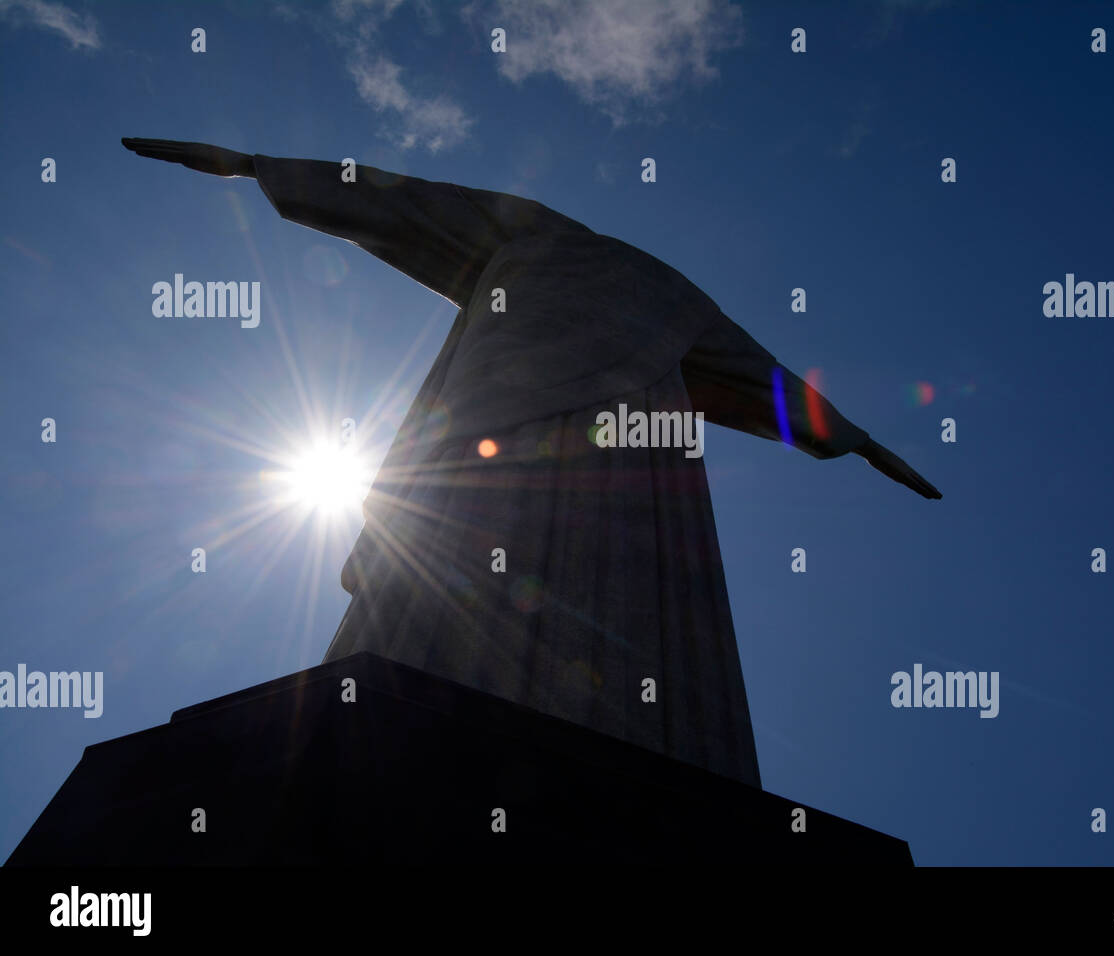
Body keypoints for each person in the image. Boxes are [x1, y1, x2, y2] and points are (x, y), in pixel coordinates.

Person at [122, 138, 942, 788]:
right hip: (492, 417)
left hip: (634, 445)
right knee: (447, 537)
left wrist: (860, 440)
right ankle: (421, 669)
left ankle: (642, 731)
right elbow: (396, 200)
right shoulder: (535, 233)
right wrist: (261, 168)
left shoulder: (671, 297)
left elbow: (765, 378)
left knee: (619, 573)